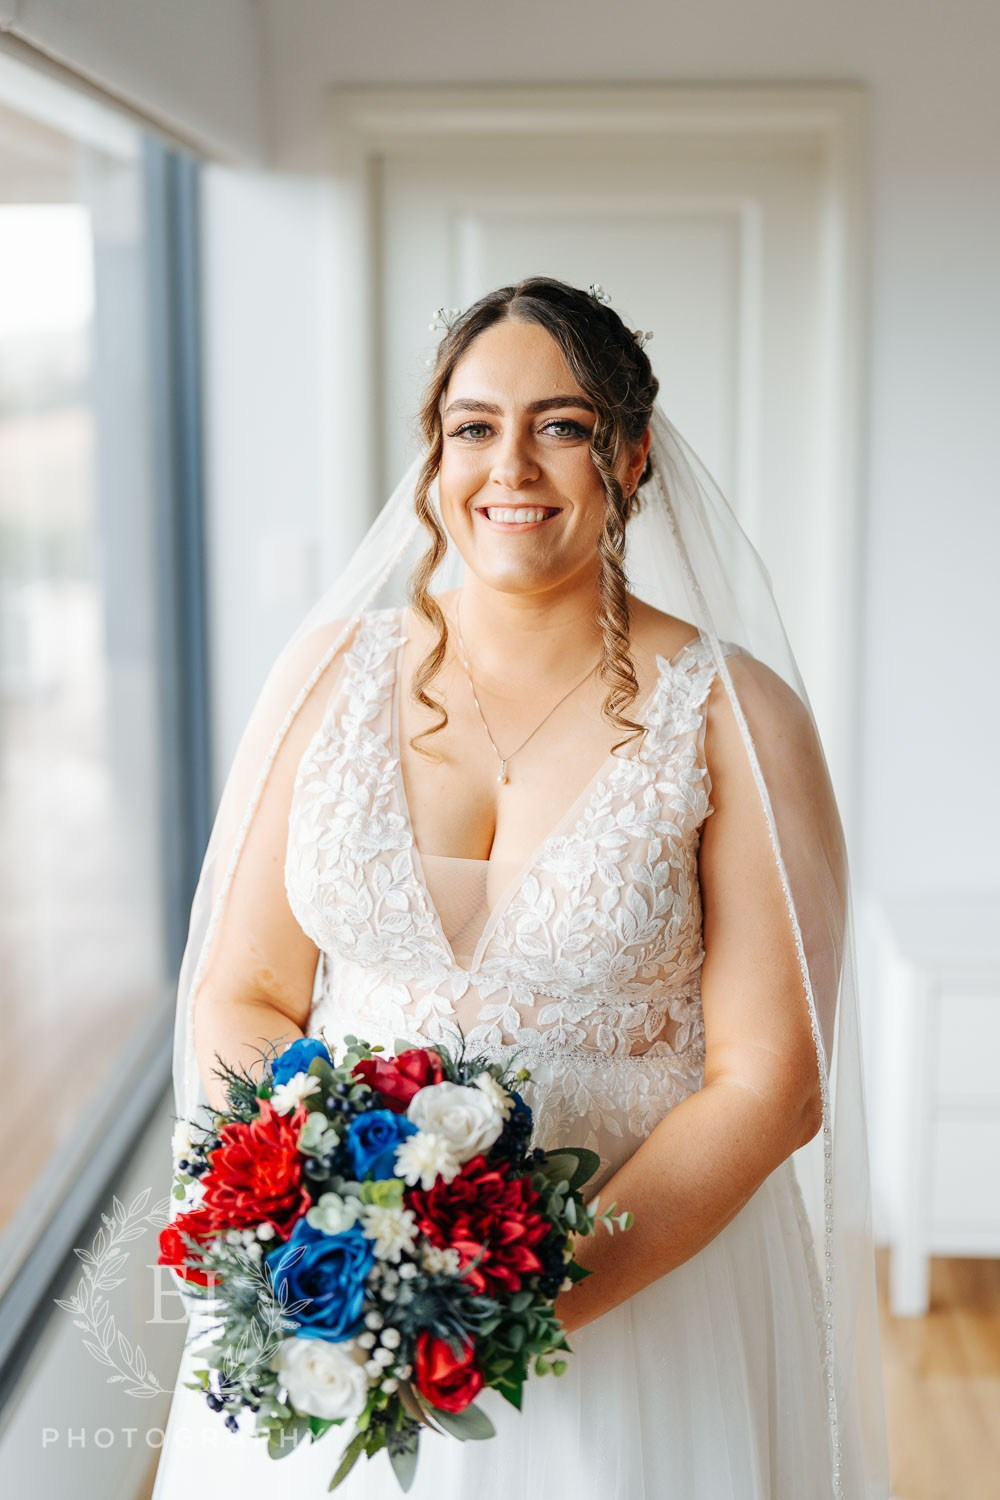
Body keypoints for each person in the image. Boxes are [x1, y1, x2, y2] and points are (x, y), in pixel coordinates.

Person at [152, 277, 890, 1497]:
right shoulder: (326, 675)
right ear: (436, 455)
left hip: (645, 1302)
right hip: (344, 1303)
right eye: (474, 426)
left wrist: (508, 1305)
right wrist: (324, 1234)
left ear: (632, 453)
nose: (513, 466)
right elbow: (243, 991)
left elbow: (771, 1084)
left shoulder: (736, 717)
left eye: (560, 425)